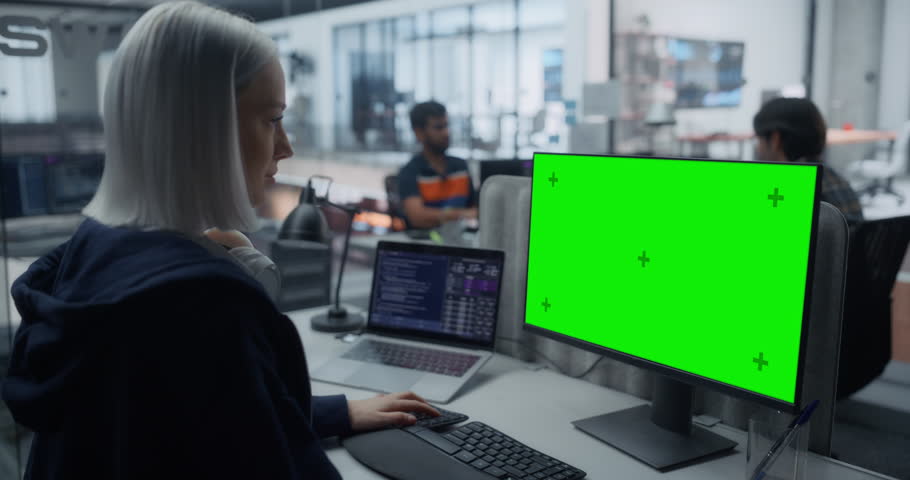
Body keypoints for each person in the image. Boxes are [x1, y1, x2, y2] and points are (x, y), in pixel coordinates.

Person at [0, 3, 437, 479]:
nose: (286, 146)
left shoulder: (95, 248)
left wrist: (336, 412)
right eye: (272, 119)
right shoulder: (200, 304)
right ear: (205, 129)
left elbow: (181, 424)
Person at [753, 97, 865, 225]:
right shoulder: (839, 181)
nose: (758, 148)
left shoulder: (787, 191)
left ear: (775, 139)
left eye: (758, 139)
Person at [397, 101, 478, 229]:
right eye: (439, 128)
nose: (446, 133)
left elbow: (475, 211)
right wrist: (462, 214)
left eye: (446, 126)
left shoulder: (460, 166)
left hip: (462, 237)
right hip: (425, 240)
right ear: (419, 133)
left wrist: (438, 216)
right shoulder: (410, 172)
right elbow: (417, 218)